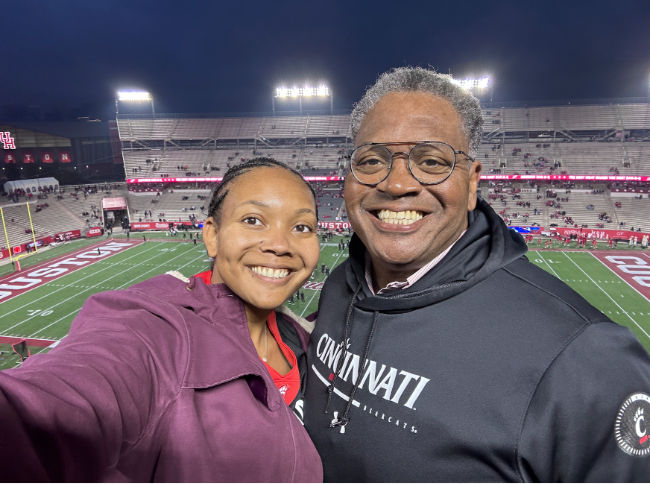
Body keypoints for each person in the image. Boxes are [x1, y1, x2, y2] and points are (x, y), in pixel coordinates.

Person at [303, 67, 650, 481]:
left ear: (471, 184)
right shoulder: (342, 284)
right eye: (372, 159)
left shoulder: (589, 360)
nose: (396, 184)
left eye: (430, 161)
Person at [0, 158, 323, 482]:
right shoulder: (156, 329)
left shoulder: (303, 336)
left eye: (302, 227)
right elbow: (47, 409)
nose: (280, 245)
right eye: (253, 220)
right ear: (211, 235)